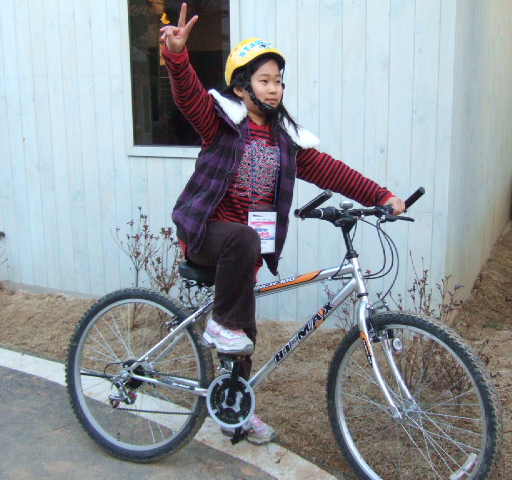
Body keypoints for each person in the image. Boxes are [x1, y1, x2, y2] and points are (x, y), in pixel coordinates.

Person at [160, 3, 405, 445]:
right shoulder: (220, 124)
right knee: (240, 250)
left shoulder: (284, 141)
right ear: (241, 87)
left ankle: (234, 410)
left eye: (278, 81)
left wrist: (381, 195)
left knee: (243, 338)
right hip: (207, 234)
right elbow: (189, 97)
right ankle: (220, 325)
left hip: (243, 253)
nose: (274, 89)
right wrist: (177, 57)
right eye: (264, 80)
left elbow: (332, 171)